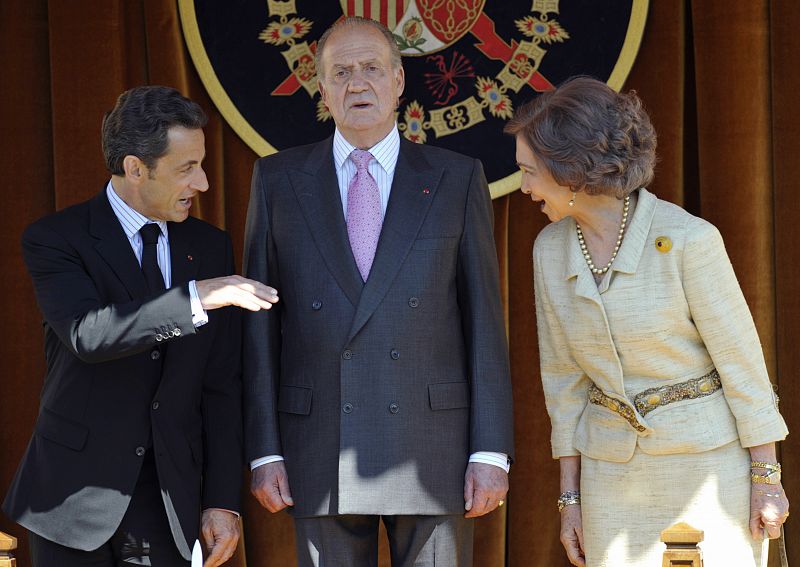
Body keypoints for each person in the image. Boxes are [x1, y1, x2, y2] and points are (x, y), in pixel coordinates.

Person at [242, 16, 514, 567]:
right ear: (323, 90)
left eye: (370, 69)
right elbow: (259, 327)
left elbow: (484, 321)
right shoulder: (278, 180)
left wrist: (491, 451)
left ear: (398, 82)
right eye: (340, 73)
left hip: (432, 446)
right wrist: (264, 449)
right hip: (320, 445)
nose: (357, 83)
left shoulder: (457, 177)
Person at [504, 76, 789, 566]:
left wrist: (767, 480)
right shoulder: (548, 251)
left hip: (706, 467)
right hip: (609, 478)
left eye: (530, 172)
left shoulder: (688, 240)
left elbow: (745, 371)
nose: (524, 187)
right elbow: (563, 385)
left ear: (570, 171)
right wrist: (569, 501)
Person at [2, 85, 279, 566]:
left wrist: (221, 500)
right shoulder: (56, 238)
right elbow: (89, 334)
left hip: (166, 502)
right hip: (69, 499)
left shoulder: (211, 247)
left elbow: (220, 387)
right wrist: (196, 297)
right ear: (134, 168)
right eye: (186, 168)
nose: (204, 184)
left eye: (202, 164)